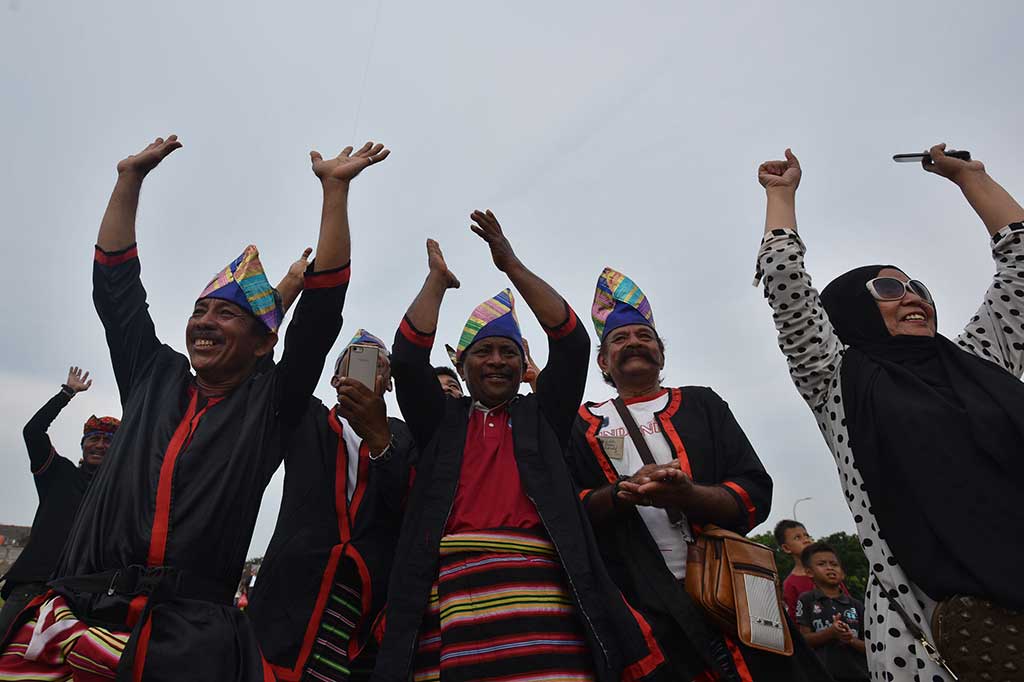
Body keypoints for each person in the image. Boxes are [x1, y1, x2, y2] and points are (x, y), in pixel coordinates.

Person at [0, 136, 385, 682]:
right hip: (74, 618)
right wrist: (127, 180)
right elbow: (115, 291)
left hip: (185, 643)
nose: (204, 321)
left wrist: (335, 192)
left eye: (226, 315)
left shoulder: (270, 404)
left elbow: (319, 319)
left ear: (261, 344)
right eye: (200, 310)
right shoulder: (153, 375)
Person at [755, 144, 1024, 680]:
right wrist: (781, 195)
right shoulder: (836, 378)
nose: (912, 296)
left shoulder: (978, 358)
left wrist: (972, 178)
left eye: (917, 287)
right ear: (850, 310)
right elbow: (786, 286)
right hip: (932, 630)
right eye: (888, 288)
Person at [373, 211, 664, 682]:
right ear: (463, 365)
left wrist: (511, 265)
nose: (496, 362)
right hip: (452, 600)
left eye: (508, 352)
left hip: (544, 599)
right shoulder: (442, 421)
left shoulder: (542, 416)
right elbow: (407, 361)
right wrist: (436, 283)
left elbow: (570, 342)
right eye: (483, 352)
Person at [567, 268, 827, 681]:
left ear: (662, 354)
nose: (634, 342)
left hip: (735, 591)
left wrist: (687, 494)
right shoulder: (581, 425)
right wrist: (621, 493)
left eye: (644, 336)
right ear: (602, 359)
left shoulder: (702, 405)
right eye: (620, 339)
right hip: (642, 602)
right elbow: (569, 509)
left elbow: (755, 489)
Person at [250, 329, 417, 682]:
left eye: (377, 365)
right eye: (354, 362)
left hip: (362, 608)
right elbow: (264, 372)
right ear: (334, 378)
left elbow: (407, 505)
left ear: (388, 383)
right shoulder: (307, 418)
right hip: (291, 596)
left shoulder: (406, 436)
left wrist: (379, 440)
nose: (364, 371)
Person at [0, 367, 119, 637]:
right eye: (94, 439)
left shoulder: (119, 492)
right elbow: (33, 432)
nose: (100, 445)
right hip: (34, 584)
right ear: (83, 445)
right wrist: (66, 393)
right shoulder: (59, 473)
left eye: (109, 440)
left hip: (84, 594)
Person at [795, 543, 868, 682]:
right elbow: (803, 640)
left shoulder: (856, 605)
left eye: (834, 564)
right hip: (821, 675)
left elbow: (871, 648)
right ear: (809, 572)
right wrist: (830, 633)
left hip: (858, 675)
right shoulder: (807, 600)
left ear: (843, 573)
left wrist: (850, 639)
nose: (830, 568)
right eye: (822, 564)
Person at [775, 520, 815, 619]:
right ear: (786, 548)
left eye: (806, 535)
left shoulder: (827, 571)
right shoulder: (790, 584)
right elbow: (795, 621)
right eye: (798, 538)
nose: (806, 540)